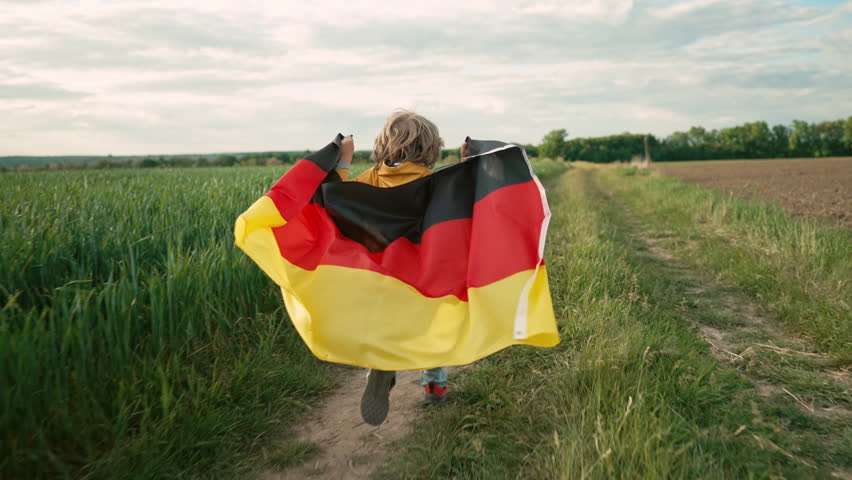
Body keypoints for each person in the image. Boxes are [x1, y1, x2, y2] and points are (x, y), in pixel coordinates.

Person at [334, 111, 464, 425]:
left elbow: (335, 199)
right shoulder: (432, 184)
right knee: (431, 328)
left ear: (384, 145)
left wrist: (343, 160)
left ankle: (382, 365)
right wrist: (466, 165)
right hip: (422, 275)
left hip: (380, 276)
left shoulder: (371, 179)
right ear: (430, 148)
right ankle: (435, 384)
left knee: (386, 326)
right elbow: (462, 201)